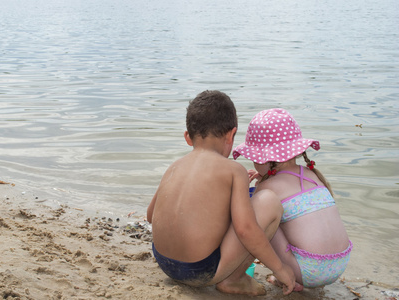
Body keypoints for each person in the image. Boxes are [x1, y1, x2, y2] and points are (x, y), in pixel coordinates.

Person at [147, 91, 296, 296]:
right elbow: (245, 229)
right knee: (269, 201)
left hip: (164, 262)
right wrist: (279, 269)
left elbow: (150, 216)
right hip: (199, 270)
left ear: (188, 138)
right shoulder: (234, 170)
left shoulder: (174, 166)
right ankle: (234, 279)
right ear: (231, 134)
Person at [233, 108, 353, 288]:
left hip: (308, 270)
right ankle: (297, 276)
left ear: (267, 158)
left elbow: (253, 223)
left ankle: (288, 276)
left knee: (263, 220)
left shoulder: (268, 187)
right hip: (340, 262)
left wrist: (255, 187)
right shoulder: (313, 175)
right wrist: (263, 178)